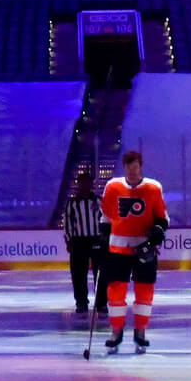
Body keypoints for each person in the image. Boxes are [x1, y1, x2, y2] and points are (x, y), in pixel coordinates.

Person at [98, 149, 168, 353]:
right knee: (115, 292)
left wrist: (158, 230)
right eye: (129, 168)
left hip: (143, 249)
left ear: (141, 166)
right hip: (117, 248)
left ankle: (140, 331)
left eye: (135, 167)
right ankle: (116, 331)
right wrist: (102, 239)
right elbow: (106, 217)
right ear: (124, 167)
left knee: (144, 290)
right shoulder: (113, 187)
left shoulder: (154, 188)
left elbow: (163, 218)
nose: (132, 172)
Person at [63, 168, 107, 324]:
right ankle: (81, 303)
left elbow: (106, 220)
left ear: (91, 184)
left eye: (87, 182)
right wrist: (68, 240)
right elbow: (68, 223)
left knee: (100, 274)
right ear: (78, 185)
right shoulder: (72, 203)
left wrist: (105, 238)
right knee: (78, 274)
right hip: (78, 241)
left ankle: (101, 304)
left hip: (96, 240)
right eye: (81, 183)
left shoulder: (99, 201)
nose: (84, 185)